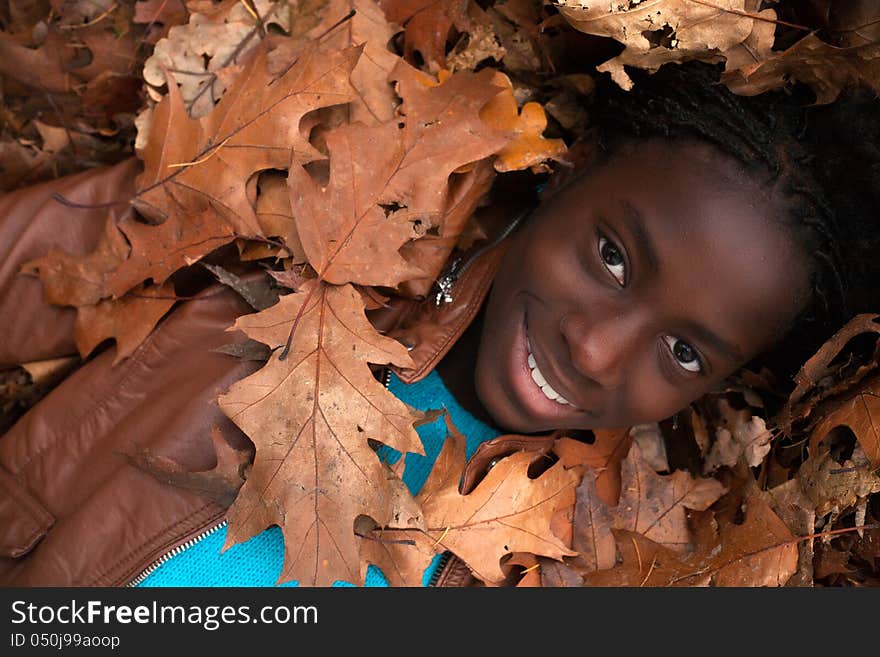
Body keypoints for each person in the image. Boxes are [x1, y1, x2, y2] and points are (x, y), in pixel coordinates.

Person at [0, 61, 877, 587]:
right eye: (612, 257)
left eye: (683, 351)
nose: (597, 347)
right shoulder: (314, 224)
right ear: (565, 172)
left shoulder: (584, 565)